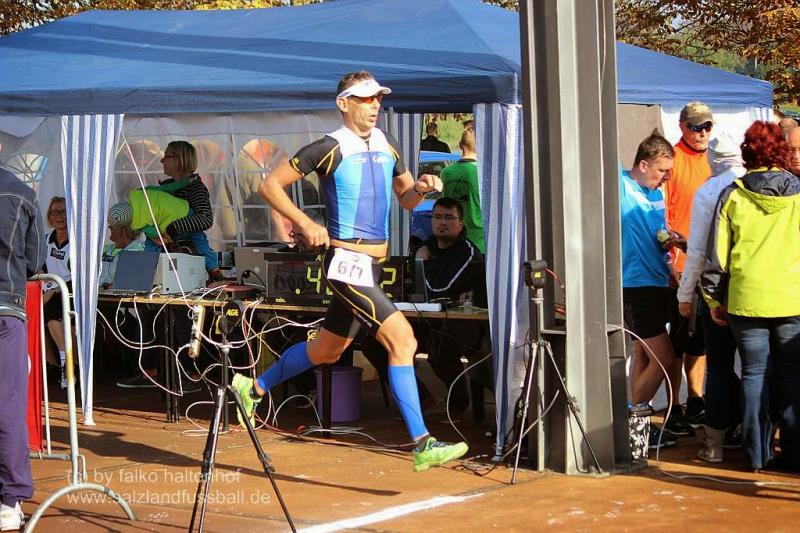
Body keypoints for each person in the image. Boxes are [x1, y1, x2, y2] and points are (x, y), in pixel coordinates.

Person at [232, 70, 468, 472]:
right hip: (346, 263)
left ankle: (252, 388)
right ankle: (422, 443)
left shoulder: (388, 143)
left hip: (372, 266)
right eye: (365, 98)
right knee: (403, 340)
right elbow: (269, 186)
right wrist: (304, 222)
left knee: (327, 349)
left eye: (378, 98)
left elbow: (406, 200)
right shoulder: (328, 147)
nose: (375, 105)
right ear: (344, 103)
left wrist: (422, 188)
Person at [702, 120, 800, 472]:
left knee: (754, 374)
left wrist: (713, 300)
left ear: (747, 153)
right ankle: (795, 454)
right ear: (781, 152)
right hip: (792, 299)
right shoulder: (799, 195)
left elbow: (717, 255)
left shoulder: (733, 195)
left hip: (746, 300)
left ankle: (757, 455)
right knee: (793, 378)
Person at [676, 133, 745, 463]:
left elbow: (698, 251)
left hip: (715, 290)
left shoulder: (709, 190)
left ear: (712, 159)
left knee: (718, 364)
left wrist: (685, 293)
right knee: (757, 367)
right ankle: (752, 434)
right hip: (755, 289)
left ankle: (716, 438)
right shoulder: (753, 184)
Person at [621, 133, 680, 450]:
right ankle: (628, 421)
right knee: (664, 358)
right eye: (661, 171)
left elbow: (658, 233)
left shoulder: (656, 193)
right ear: (643, 165)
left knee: (644, 355)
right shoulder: (618, 185)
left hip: (657, 281)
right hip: (635, 284)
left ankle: (637, 430)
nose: (665, 177)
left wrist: (670, 255)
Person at [662, 101, 715, 436]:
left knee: (701, 339)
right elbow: (663, 215)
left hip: (709, 267)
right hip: (680, 267)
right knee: (679, 339)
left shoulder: (715, 160)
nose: (702, 133)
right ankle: (674, 406)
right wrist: (672, 260)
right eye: (696, 127)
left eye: (707, 126)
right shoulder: (674, 160)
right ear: (682, 126)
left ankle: (696, 398)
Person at [0, 157, 45, 531]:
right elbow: (35, 261)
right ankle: (9, 499)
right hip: (6, 308)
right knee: (8, 405)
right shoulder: (22, 192)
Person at [415, 197, 489, 419]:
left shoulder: (468, 252)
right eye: (437, 217)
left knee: (440, 345)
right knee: (376, 341)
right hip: (424, 319)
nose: (442, 222)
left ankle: (458, 402)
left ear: (461, 223)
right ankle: (420, 397)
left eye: (449, 218)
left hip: (465, 326)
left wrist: (423, 263)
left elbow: (440, 288)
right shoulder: (423, 247)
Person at [146, 140, 223, 282]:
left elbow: (205, 218)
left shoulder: (195, 188)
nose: (162, 160)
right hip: (166, 256)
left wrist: (171, 229)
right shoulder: (165, 188)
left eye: (166, 156)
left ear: (179, 160)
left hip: (188, 259)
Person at [41, 196, 72, 389]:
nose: (59, 216)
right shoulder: (45, 240)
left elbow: (80, 276)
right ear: (50, 217)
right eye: (55, 212)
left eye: (63, 212)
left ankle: (66, 365)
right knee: (33, 316)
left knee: (52, 313)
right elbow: (38, 268)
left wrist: (54, 290)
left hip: (70, 292)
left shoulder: (77, 241)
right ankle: (53, 365)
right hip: (48, 292)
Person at [440, 129, 485, 253]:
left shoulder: (445, 172)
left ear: (460, 145)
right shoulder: (481, 173)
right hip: (479, 242)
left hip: (452, 240)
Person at [100, 203, 146, 288]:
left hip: (120, 296)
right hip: (99, 295)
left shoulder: (137, 252)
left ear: (124, 229)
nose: (109, 227)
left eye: (113, 226)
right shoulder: (106, 249)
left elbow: (133, 281)